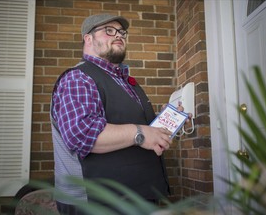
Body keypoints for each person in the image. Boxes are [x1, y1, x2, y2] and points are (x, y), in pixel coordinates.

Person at [50, 13, 190, 215]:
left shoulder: (126, 81)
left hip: (138, 195)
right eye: (109, 31)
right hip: (96, 201)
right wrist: (141, 133)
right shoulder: (78, 78)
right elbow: (82, 134)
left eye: (122, 32)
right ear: (88, 38)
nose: (119, 35)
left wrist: (166, 124)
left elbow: (141, 132)